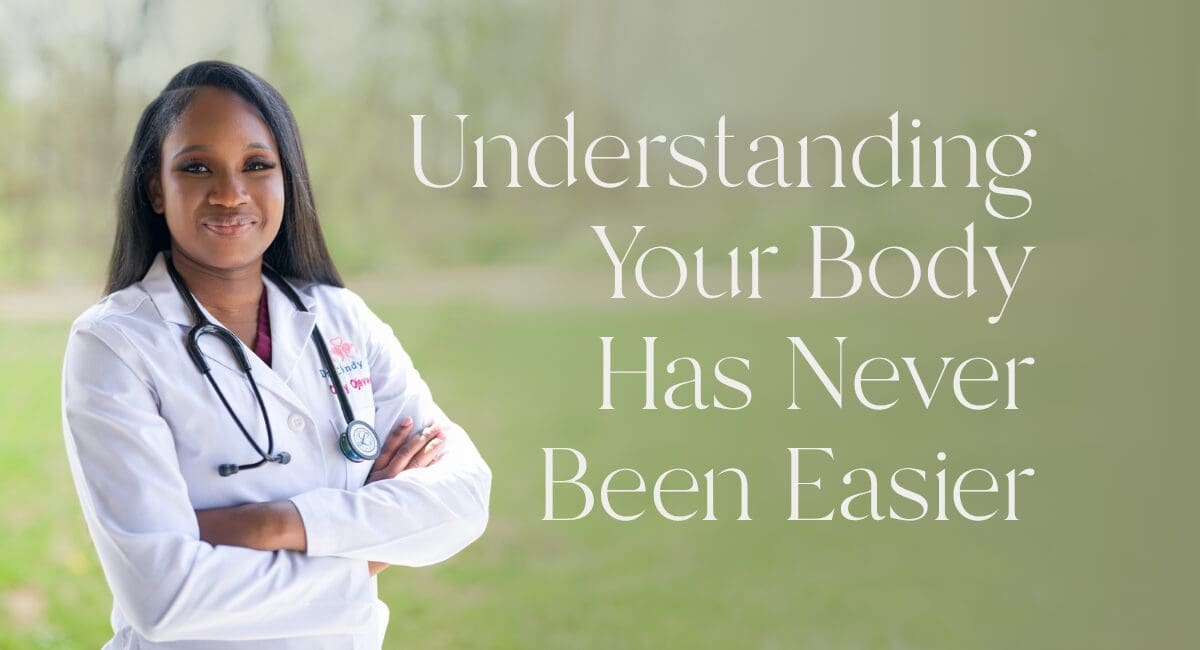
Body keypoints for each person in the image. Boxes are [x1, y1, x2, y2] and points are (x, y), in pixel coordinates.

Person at [60, 60, 492, 649]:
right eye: (196, 167)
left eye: (257, 165)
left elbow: (465, 496)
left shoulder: (343, 318)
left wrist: (272, 525)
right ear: (156, 189)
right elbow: (163, 597)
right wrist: (366, 552)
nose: (230, 192)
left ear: (287, 181)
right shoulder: (114, 343)